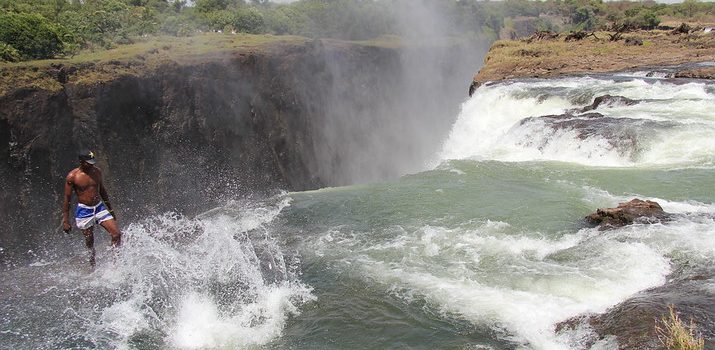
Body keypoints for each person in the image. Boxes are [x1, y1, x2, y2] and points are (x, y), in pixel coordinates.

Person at [62, 150, 122, 266]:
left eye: (92, 162)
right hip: (84, 211)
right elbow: (67, 198)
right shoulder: (72, 176)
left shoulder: (97, 172)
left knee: (116, 234)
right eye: (89, 163)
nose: (92, 165)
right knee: (90, 240)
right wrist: (66, 221)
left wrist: (110, 209)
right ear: (81, 162)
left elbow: (102, 191)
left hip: (99, 208)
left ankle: (116, 264)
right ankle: (92, 262)